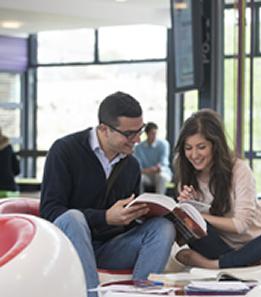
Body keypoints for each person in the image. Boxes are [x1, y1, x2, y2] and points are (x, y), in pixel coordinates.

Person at [40, 92, 176, 296]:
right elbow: (50, 211)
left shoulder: (131, 165)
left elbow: (128, 225)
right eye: (130, 134)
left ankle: (143, 294)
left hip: (111, 248)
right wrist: (105, 217)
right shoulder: (65, 150)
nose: (138, 140)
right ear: (104, 129)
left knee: (163, 227)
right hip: (69, 245)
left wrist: (141, 214)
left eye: (140, 131)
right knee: (73, 218)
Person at [172, 109, 261, 269]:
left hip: (256, 245)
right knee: (189, 223)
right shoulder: (188, 176)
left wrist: (200, 215)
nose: (194, 155)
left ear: (215, 146)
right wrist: (190, 209)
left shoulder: (239, 170)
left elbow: (240, 225)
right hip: (220, 248)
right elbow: (191, 234)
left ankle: (214, 265)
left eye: (201, 147)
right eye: (188, 148)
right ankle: (243, 264)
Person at [134, 122, 172, 194]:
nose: (154, 136)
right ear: (146, 134)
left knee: (161, 177)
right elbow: (138, 167)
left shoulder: (163, 144)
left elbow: (163, 164)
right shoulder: (139, 148)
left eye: (155, 133)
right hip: (146, 175)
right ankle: (141, 201)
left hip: (161, 173)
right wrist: (150, 170)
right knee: (139, 178)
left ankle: (159, 201)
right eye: (152, 133)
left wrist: (152, 169)